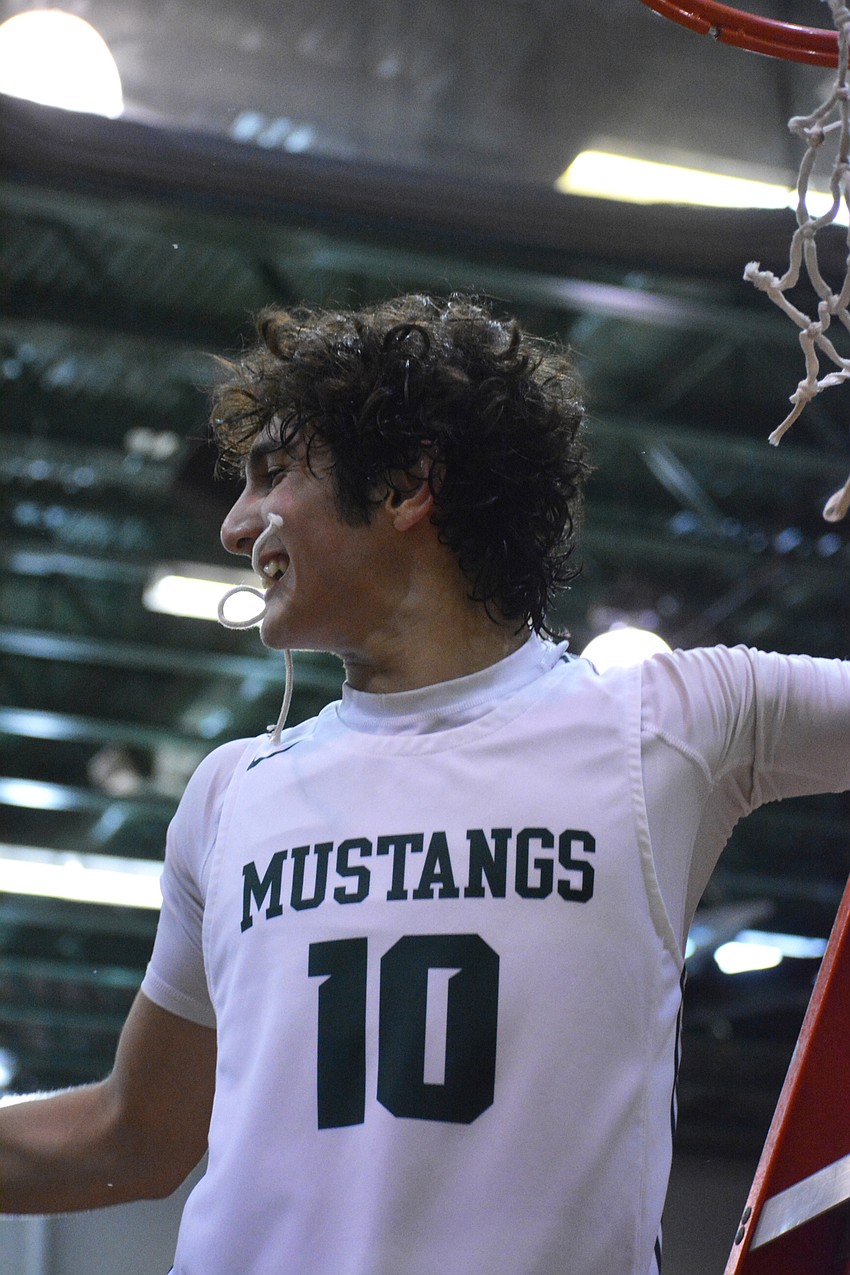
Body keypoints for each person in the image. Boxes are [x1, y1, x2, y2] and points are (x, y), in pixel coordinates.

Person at [0, 293, 848, 1275]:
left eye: (271, 473)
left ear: (407, 484)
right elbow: (131, 1137)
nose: (235, 525)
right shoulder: (232, 794)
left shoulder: (668, 725)